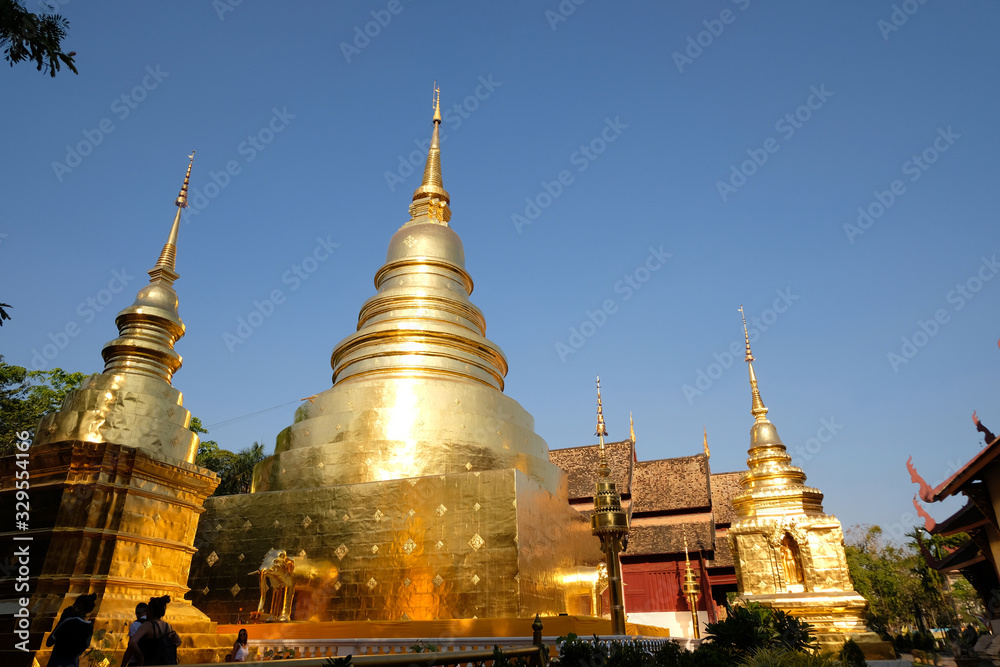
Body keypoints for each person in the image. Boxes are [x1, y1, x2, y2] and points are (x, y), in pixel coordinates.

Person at [122, 595, 181, 666]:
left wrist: (140, 656)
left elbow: (132, 642)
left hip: (149, 663)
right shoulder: (167, 626)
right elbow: (178, 641)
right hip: (164, 663)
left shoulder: (148, 625)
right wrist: (165, 648)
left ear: (150, 610)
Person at [46, 593, 97, 667]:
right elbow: (85, 646)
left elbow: (49, 642)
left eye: (73, 605)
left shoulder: (69, 621)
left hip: (57, 663)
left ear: (77, 607)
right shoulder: (90, 627)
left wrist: (61, 620)